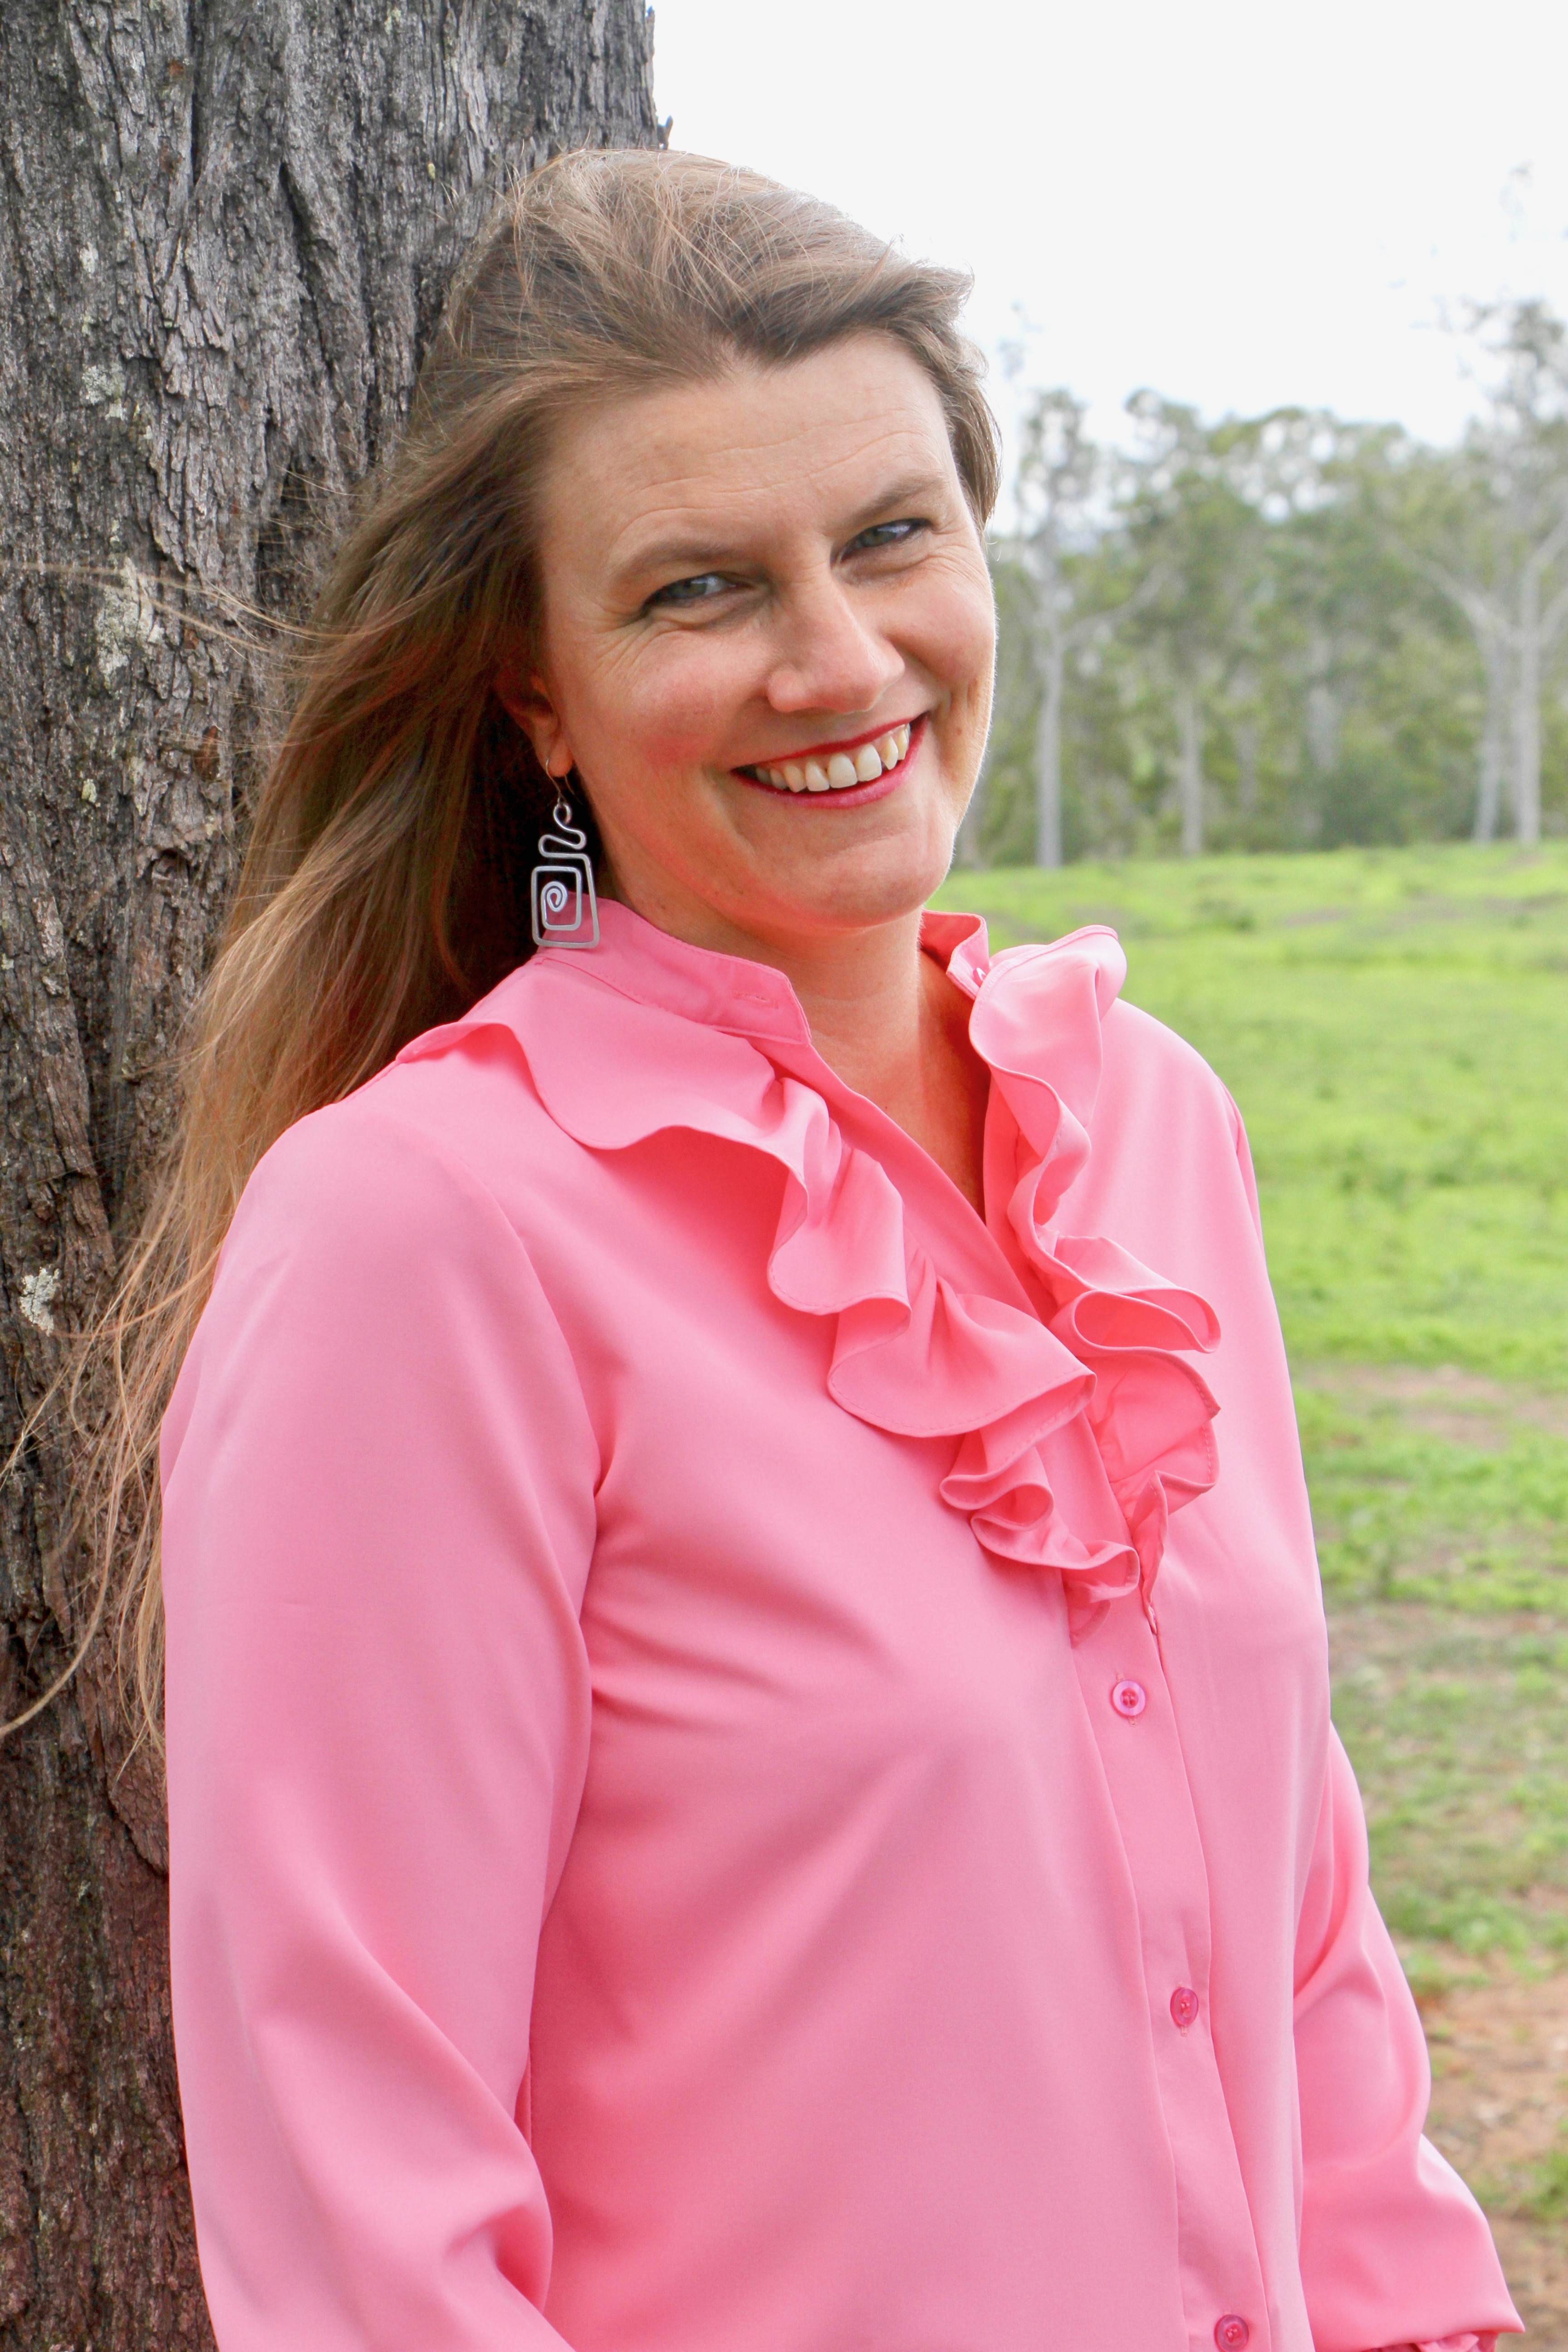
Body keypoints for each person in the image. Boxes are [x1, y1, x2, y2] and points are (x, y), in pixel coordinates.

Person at [108, 151, 1516, 2350]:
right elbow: (357, 2195)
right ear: (535, 696)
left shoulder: (1154, 1125)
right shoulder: (431, 1236)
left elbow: (1295, 1904)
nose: (839, 658)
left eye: (890, 537)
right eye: (697, 590)